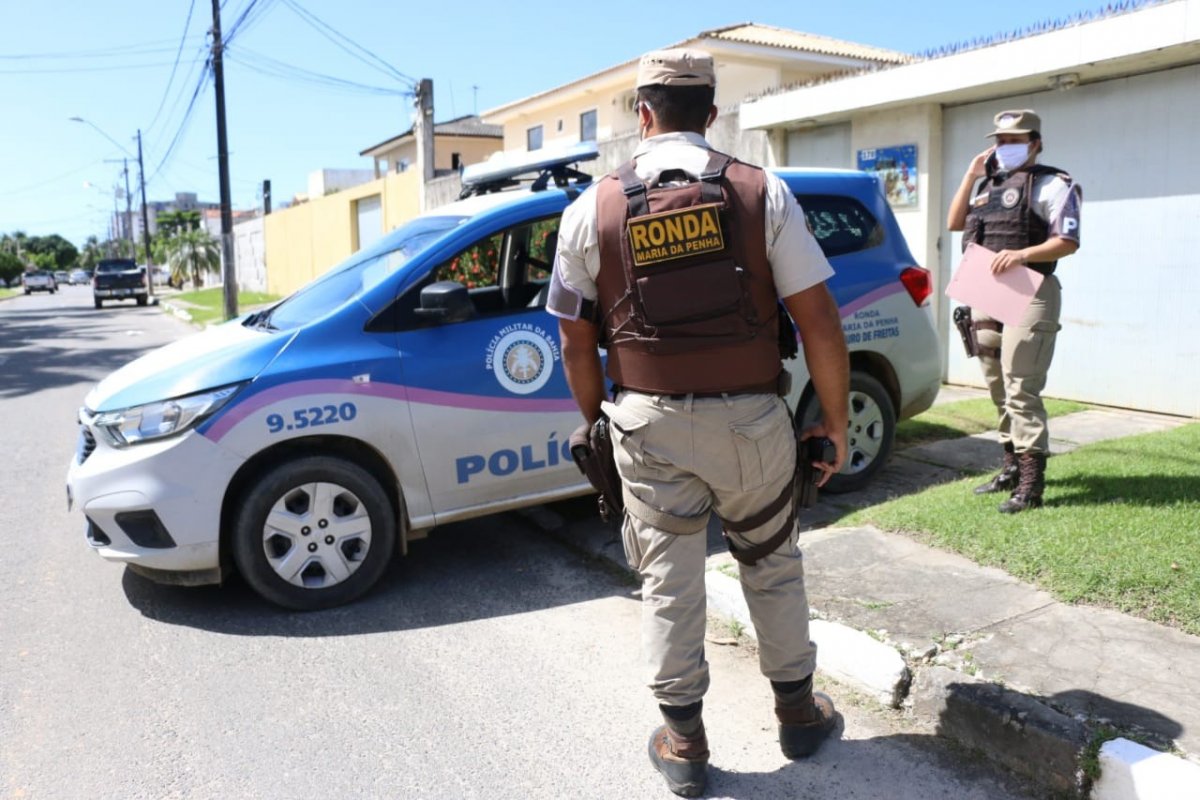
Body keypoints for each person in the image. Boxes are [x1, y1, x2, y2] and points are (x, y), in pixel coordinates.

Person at [548, 48, 849, 797]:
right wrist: (835, 422)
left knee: (669, 581)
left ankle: (683, 744)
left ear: (641, 114)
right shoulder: (761, 192)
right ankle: (799, 716)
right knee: (772, 562)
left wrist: (596, 428)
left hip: (646, 425)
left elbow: (573, 338)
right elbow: (819, 321)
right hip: (752, 419)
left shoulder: (592, 208)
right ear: (711, 114)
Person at [947, 109, 1082, 513]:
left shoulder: (1053, 185)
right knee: (996, 385)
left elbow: (1068, 240)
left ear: (1036, 142)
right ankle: (1009, 465)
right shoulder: (988, 185)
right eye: (1001, 140)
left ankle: (1030, 484)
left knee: (1021, 387)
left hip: (1032, 287)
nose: (1006, 147)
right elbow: (957, 222)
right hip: (987, 290)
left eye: (1016, 140)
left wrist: (1022, 254)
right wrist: (971, 175)